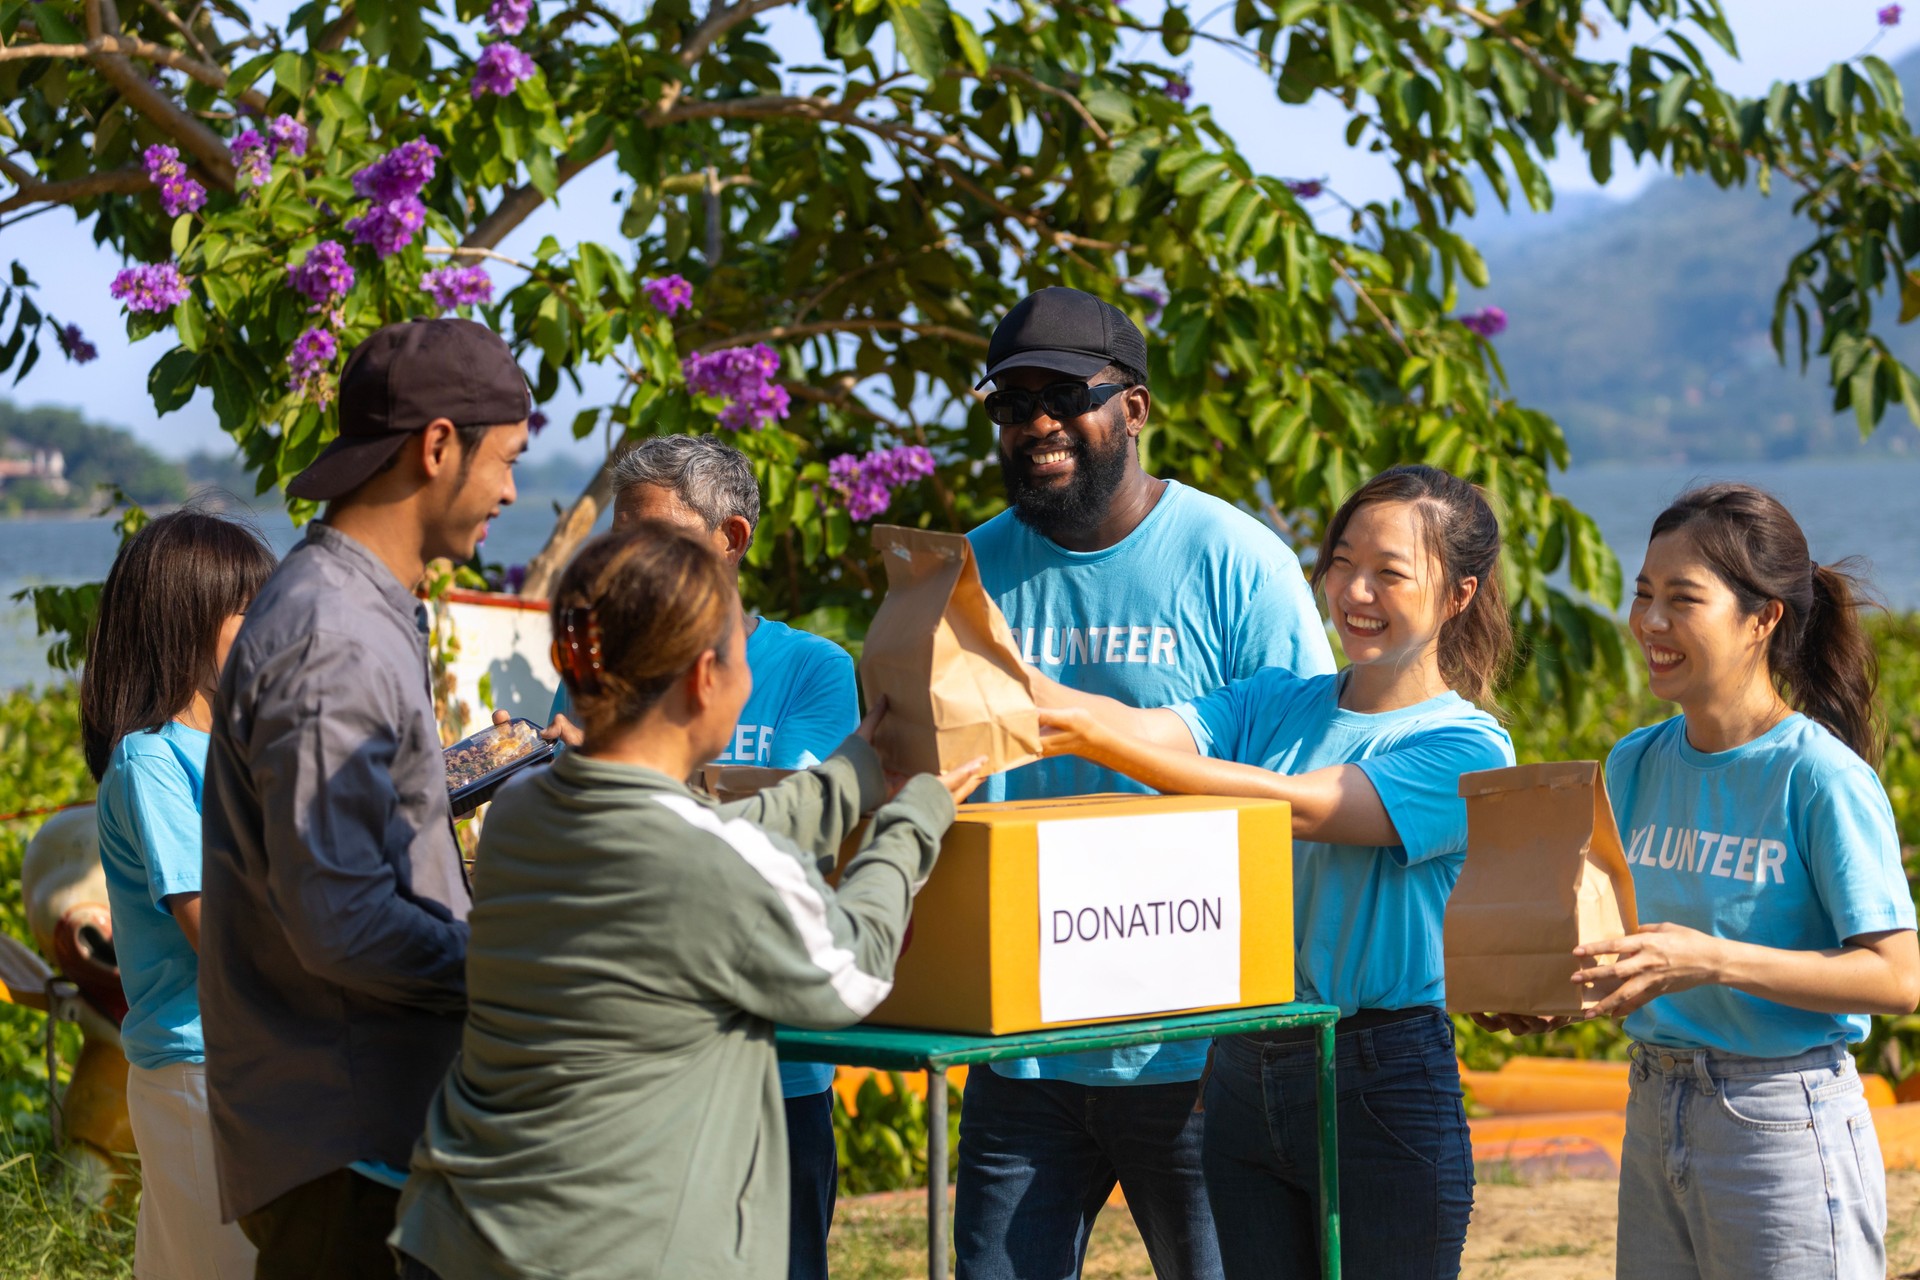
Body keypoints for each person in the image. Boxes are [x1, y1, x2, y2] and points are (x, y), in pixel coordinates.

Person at [390, 526, 983, 1280]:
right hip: (608, 1254)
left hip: (465, 1229)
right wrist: (912, 821)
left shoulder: (522, 813)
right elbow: (853, 968)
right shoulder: (704, 862)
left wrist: (851, 775)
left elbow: (694, 839)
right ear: (706, 677)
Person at [1035, 464, 1516, 1279]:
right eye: (1341, 561)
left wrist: (1086, 738)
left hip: (1380, 1075)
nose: (1355, 590)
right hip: (1242, 1069)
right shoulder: (1275, 701)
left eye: (1390, 572)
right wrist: (1022, 690)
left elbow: (1302, 806)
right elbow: (1147, 728)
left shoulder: (1465, 747)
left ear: (1459, 594)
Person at [957, 286, 1337, 1280]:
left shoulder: (1237, 564)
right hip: (1021, 1047)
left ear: (1133, 408)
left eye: (1063, 394)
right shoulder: (967, 575)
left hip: (1198, 1046)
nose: (1035, 421)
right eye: (1010, 401)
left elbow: (1297, 789)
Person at [199, 317, 530, 1278]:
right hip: (345, 1146)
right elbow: (341, 922)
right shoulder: (332, 636)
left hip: (369, 1129)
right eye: (504, 461)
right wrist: (517, 970)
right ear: (437, 446)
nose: (512, 490)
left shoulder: (362, 608)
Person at [1569, 483, 1920, 1280]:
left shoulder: (1819, 778)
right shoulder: (1633, 763)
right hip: (1655, 1107)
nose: (1650, 623)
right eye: (1644, 595)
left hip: (1781, 1123)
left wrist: (1713, 959)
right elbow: (1625, 941)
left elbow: (1899, 979)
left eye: (1682, 600)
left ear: (1763, 620)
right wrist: (1550, 994)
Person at [538, 435, 858, 1279]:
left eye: (654, 534)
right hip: (629, 1063)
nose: (626, 559)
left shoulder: (812, 669)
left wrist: (635, 785)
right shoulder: (599, 662)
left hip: (774, 1069)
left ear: (733, 538)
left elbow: (793, 822)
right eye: (616, 535)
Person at [81, 509, 276, 1280]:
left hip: (251, 1061)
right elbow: (217, 925)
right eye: (251, 612)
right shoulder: (151, 762)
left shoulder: (242, 746)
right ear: (185, 621)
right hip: (198, 1069)